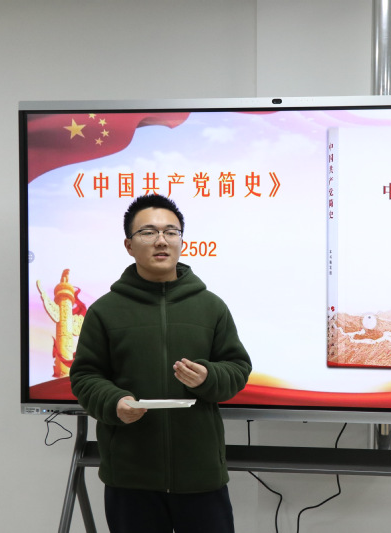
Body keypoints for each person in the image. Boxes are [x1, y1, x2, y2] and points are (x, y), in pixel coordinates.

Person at [70, 195, 252, 533]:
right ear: (129, 245)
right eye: (148, 232)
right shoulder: (105, 311)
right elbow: (85, 376)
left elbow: (238, 368)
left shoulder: (211, 307)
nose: (161, 240)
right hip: (130, 476)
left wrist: (208, 377)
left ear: (181, 241)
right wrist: (115, 402)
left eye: (171, 231)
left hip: (200, 473)